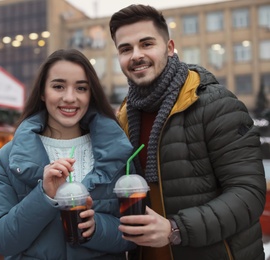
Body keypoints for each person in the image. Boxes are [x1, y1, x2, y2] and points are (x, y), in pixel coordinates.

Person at [108, 4, 267, 260]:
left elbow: (248, 194)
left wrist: (175, 229)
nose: (136, 55)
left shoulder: (215, 104)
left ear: (170, 48)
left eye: (147, 44)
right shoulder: (125, 116)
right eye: (125, 49)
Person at [0, 48, 137, 259]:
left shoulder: (117, 153)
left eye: (81, 88)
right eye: (58, 86)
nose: (69, 97)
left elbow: (135, 234)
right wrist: (44, 195)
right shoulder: (8, 158)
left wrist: (97, 227)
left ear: (91, 94)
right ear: (42, 92)